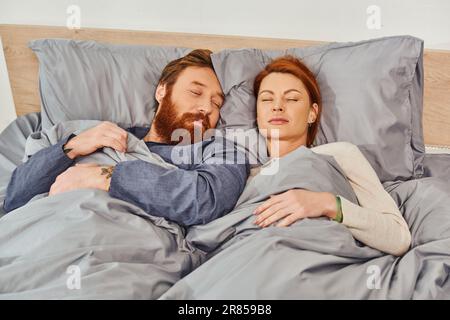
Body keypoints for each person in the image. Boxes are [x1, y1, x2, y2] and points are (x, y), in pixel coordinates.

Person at [3, 49, 250, 227]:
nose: (207, 107)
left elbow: (206, 199)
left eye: (217, 103)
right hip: (38, 231)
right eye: (196, 92)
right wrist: (72, 148)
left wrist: (107, 176)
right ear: (162, 91)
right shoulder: (90, 132)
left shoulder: (219, 150)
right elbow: (15, 198)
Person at [251, 55, 411, 256]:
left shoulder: (339, 154)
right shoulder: (243, 174)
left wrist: (327, 204)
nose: (277, 106)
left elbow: (398, 238)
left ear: (312, 113)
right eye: (266, 99)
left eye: (291, 98)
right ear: (257, 115)